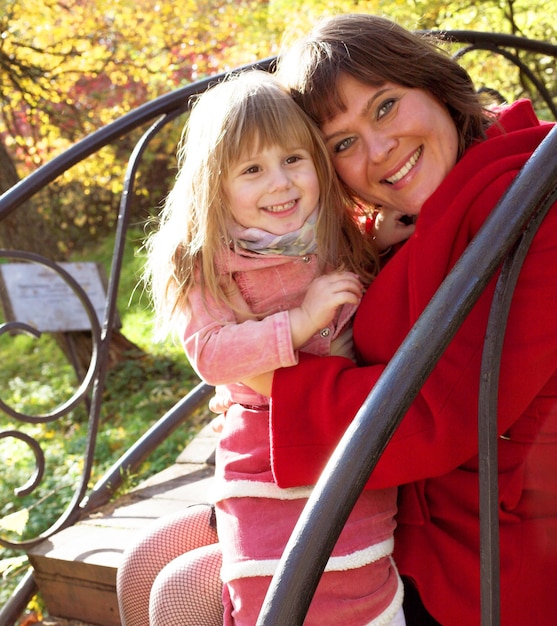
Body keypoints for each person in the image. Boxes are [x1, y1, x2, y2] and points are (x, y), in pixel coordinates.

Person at [248, 13, 556, 626]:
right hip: (386, 508)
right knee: (154, 565)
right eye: (342, 143)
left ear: (434, 85)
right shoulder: (406, 223)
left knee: (181, 591)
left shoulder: (529, 200)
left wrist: (270, 381)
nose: (378, 150)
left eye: (385, 107)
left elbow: (442, 411)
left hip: (482, 555)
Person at [117, 69, 412, 626]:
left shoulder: (330, 233)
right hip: (259, 455)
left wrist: (375, 240)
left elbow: (357, 291)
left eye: (293, 159)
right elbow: (211, 353)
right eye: (252, 169)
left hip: (335, 447)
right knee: (158, 571)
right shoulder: (206, 260)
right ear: (214, 185)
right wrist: (298, 322)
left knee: (193, 593)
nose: (280, 183)